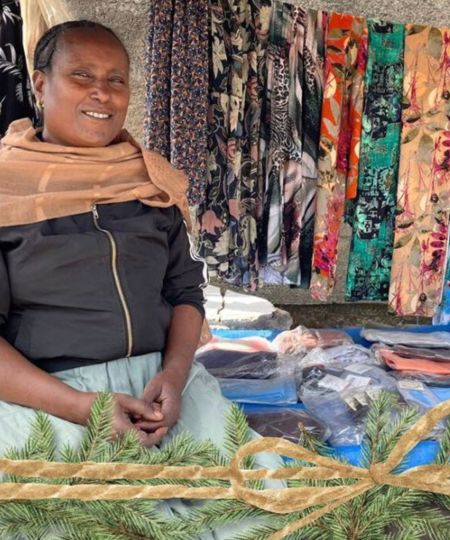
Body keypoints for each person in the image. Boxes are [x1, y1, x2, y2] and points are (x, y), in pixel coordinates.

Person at [0, 20, 278, 535]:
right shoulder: (4, 190)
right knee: (64, 524)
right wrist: (85, 407)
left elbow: (184, 293)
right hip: (48, 396)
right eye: (81, 75)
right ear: (40, 85)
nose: (101, 92)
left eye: (116, 79)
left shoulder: (148, 180)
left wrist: (174, 378)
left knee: (257, 508)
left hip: (159, 390)